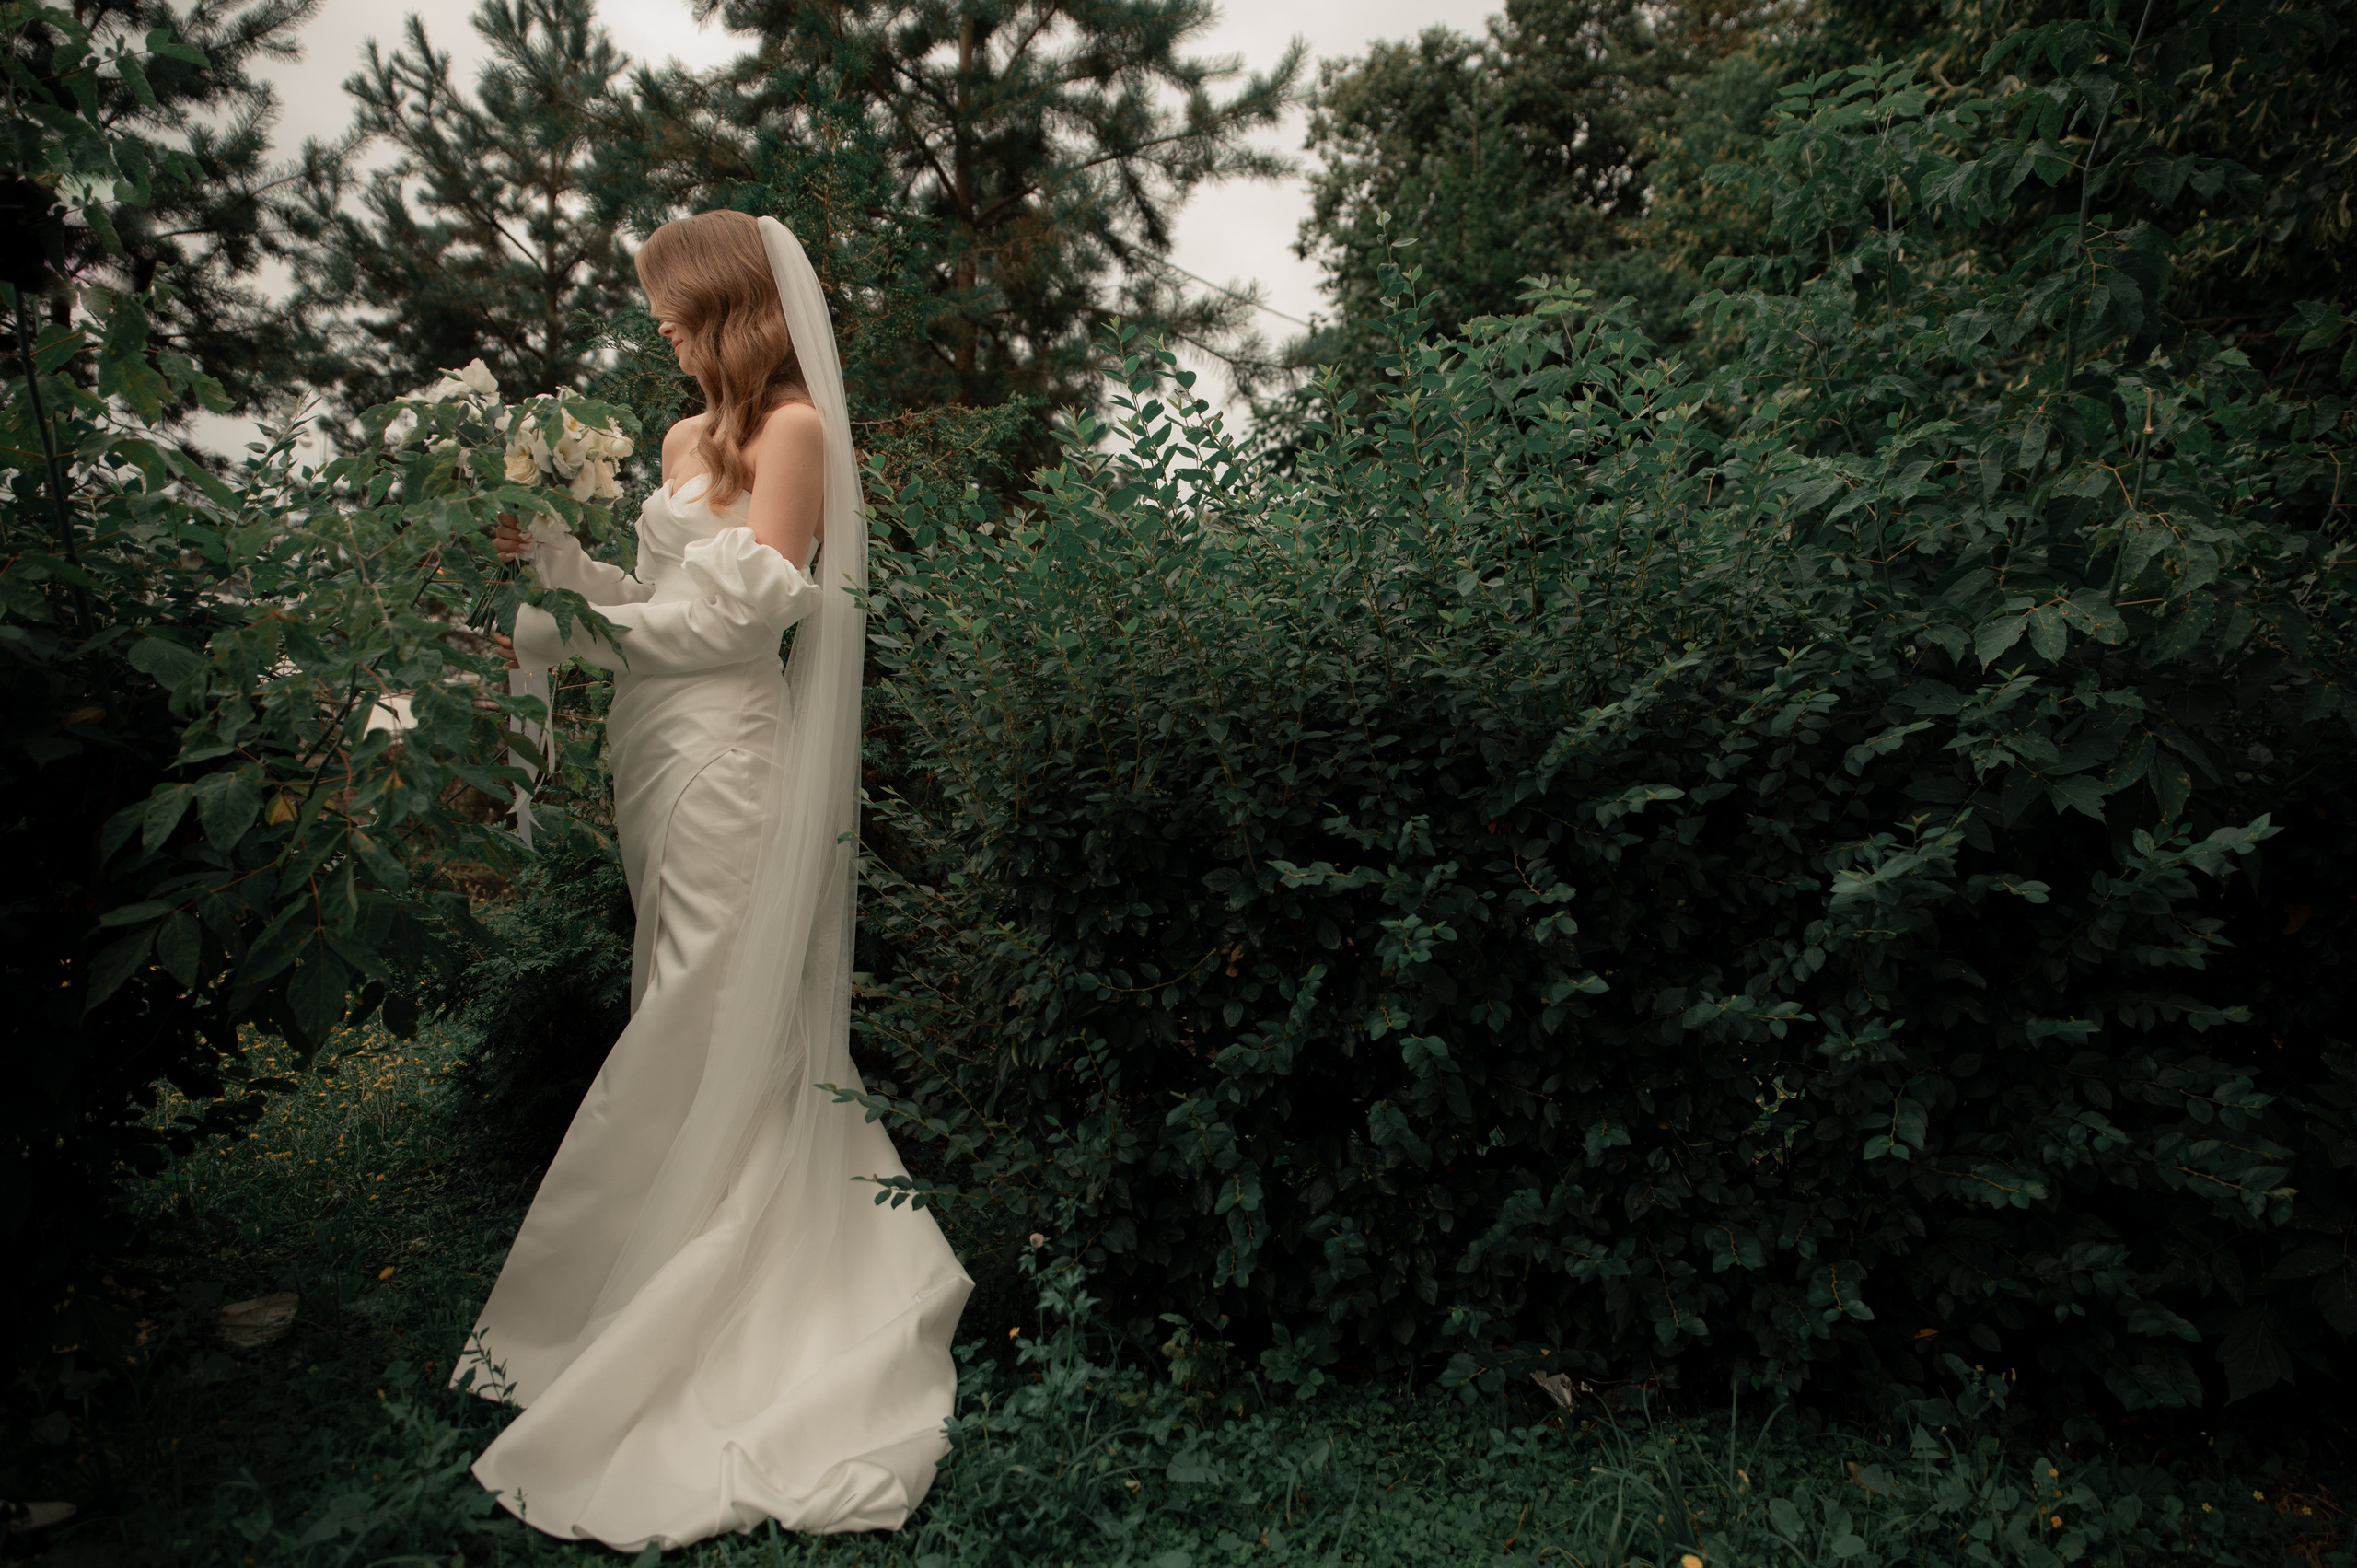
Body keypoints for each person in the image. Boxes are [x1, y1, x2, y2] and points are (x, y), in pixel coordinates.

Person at [452, 210, 973, 1551]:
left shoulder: (793, 431)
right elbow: (655, 589)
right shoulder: (686, 440)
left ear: (733, 305)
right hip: (652, 751)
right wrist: (564, 575)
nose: (660, 329)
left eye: (676, 309)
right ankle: (641, 1274)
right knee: (686, 1002)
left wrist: (594, 617)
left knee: (706, 1004)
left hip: (733, 755)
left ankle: (684, 1301)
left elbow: (743, 615)